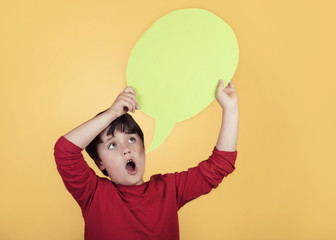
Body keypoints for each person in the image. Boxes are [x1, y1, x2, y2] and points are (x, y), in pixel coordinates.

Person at [54, 80, 239, 240]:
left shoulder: (169, 189)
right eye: (112, 145)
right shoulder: (93, 194)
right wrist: (112, 113)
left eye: (131, 139)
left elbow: (219, 165)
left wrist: (230, 109)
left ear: (143, 149)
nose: (126, 149)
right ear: (100, 162)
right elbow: (65, 151)